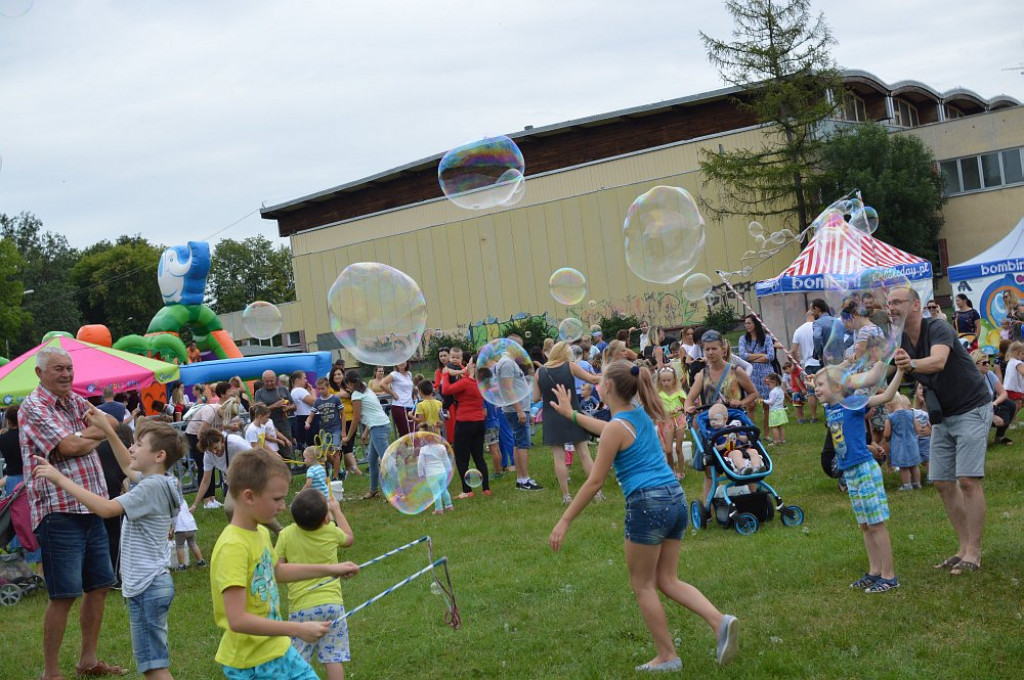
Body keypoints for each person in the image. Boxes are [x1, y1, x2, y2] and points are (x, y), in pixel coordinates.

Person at [547, 361, 739, 672]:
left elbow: (595, 480)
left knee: (643, 585)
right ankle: (720, 622)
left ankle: (667, 656)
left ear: (607, 387)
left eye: (600, 379)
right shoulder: (639, 417)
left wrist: (565, 519)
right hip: (674, 500)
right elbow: (606, 429)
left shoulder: (616, 427)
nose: (596, 382)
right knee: (667, 579)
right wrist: (571, 414)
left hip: (647, 504)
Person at [34, 415, 186, 679]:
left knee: (154, 667)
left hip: (147, 586)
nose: (132, 449)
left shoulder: (149, 489)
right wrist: (106, 429)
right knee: (154, 662)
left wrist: (60, 479)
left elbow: (105, 508)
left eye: (139, 445)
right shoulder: (165, 481)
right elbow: (128, 467)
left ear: (159, 455)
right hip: (155, 583)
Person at [19, 345, 128, 679]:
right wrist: (94, 435)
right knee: (64, 594)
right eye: (58, 369)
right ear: (40, 373)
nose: (66, 374)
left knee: (98, 586)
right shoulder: (34, 407)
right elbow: (68, 447)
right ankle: (50, 672)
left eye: (69, 368)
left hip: (92, 505)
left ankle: (88, 661)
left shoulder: (74, 400)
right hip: (58, 511)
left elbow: (113, 420)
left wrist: (85, 435)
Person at [210, 449, 359, 679]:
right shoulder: (233, 547)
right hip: (252, 662)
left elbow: (277, 571)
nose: (282, 507)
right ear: (249, 496)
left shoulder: (259, 531)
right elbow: (237, 619)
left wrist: (333, 569)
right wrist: (298, 629)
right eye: (277, 499)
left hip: (277, 649)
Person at [889, 286, 992, 576]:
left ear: (916, 305)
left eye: (897, 301)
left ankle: (974, 551)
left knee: (968, 480)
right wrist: (840, 386)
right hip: (943, 415)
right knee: (943, 483)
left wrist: (911, 364)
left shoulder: (937, 327)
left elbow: (938, 361)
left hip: (971, 408)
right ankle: (962, 548)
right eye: (889, 303)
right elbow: (883, 378)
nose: (892, 307)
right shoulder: (898, 340)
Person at [814, 364, 904, 593]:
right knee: (864, 525)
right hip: (850, 472)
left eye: (820, 385)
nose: (816, 389)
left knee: (875, 524)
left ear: (836, 387)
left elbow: (887, 396)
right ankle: (875, 572)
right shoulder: (830, 409)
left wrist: (901, 372)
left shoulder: (852, 403)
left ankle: (889, 576)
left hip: (864, 470)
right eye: (815, 385)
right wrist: (826, 373)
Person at [275, 489, 355, 680]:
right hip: (333, 605)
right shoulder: (331, 531)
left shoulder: (286, 534)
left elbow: (277, 567)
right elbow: (349, 538)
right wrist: (338, 511)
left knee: (298, 660)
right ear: (326, 519)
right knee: (333, 658)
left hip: (302, 608)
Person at [684, 330, 759, 501]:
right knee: (711, 471)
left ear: (723, 349)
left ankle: (755, 499)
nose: (710, 353)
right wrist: (688, 408)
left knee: (745, 459)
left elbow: (753, 393)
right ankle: (709, 508)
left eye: (714, 349)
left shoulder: (736, 371)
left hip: (735, 425)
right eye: (707, 349)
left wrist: (741, 403)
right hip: (712, 428)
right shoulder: (702, 375)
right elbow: (689, 399)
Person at [535, 342, 602, 504]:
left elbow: (535, 398)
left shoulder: (540, 372)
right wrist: (609, 373)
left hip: (551, 415)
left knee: (558, 457)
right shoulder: (570, 366)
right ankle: (597, 493)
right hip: (572, 413)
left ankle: (566, 496)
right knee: (584, 454)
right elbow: (593, 379)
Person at [441, 356, 491, 500]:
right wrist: (463, 370)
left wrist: (445, 373)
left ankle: (467, 490)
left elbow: (446, 390)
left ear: (473, 366)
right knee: (478, 456)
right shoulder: (481, 383)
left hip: (464, 423)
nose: (466, 364)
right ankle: (486, 488)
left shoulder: (466, 383)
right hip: (479, 423)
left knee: (462, 458)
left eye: (468, 362)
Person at [496, 333, 540, 491]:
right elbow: (508, 388)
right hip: (516, 410)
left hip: (517, 409)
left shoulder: (508, 362)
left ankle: (521, 479)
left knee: (517, 442)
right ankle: (525, 479)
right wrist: (520, 410)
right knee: (523, 444)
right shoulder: (507, 363)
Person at [342, 370, 392, 500]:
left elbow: (356, 417)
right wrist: (365, 433)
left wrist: (347, 437)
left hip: (379, 428)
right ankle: (373, 489)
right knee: (372, 460)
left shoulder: (357, 395)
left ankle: (396, 491)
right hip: (379, 425)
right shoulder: (366, 390)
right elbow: (372, 413)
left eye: (346, 384)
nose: (346, 387)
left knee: (386, 461)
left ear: (349, 383)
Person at [738, 315, 775, 435]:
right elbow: (742, 356)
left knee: (767, 405)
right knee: (751, 405)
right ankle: (751, 434)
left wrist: (752, 357)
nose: (746, 325)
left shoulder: (767, 338)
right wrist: (761, 355)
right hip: (751, 374)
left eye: (749, 323)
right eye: (745, 323)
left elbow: (770, 356)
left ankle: (767, 434)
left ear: (756, 324)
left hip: (766, 374)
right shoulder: (743, 339)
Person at [971, 350, 1017, 445]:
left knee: (1010, 405)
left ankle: (999, 437)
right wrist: (991, 416)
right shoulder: (969, 380)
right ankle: (979, 440)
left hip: (988, 407)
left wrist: (994, 403)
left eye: (988, 362)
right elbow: (972, 406)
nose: (987, 365)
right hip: (974, 413)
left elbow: (1004, 393)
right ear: (975, 364)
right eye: (984, 363)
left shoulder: (989, 374)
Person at [707, 404, 764, 475]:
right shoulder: (713, 433)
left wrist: (739, 437)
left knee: (753, 451)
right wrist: (725, 444)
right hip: (727, 452)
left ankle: (757, 467)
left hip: (742, 448)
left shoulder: (733, 427)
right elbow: (715, 448)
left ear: (725, 419)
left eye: (715, 419)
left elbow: (746, 440)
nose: (712, 422)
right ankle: (742, 469)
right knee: (736, 453)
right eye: (710, 420)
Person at [307, 378, 344, 480]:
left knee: (336, 453)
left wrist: (343, 431)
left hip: (336, 429)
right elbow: (311, 415)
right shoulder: (318, 402)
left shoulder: (335, 399)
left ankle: (335, 477)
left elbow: (343, 414)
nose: (321, 391)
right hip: (324, 430)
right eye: (319, 389)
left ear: (328, 387)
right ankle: (339, 470)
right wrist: (307, 422)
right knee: (325, 453)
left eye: (323, 388)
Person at [884, 394, 922, 491]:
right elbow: (918, 429)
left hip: (899, 446)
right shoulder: (911, 413)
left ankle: (907, 485)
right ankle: (917, 483)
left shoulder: (890, 417)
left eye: (886, 407)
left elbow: (887, 434)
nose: (886, 409)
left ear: (890, 405)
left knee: (903, 467)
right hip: (912, 444)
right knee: (914, 465)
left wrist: (887, 438)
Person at [254, 371, 295, 455]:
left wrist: (288, 408)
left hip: (283, 425)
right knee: (270, 453)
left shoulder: (283, 389)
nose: (269, 383)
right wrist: (275, 405)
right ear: (263, 381)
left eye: (271, 381)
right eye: (266, 381)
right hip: (267, 427)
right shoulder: (259, 393)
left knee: (287, 451)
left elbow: (294, 406)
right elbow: (259, 411)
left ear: (275, 379)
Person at [655, 367, 686, 480]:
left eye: (668, 380)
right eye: (663, 380)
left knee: (678, 448)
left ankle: (682, 472)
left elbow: (685, 407)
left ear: (674, 380)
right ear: (659, 381)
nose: (666, 383)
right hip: (666, 421)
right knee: (668, 450)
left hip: (679, 420)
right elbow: (656, 409)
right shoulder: (658, 395)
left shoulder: (679, 393)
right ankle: (672, 471)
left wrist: (681, 409)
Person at [416, 424, 455, 515]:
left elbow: (420, 463)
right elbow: (446, 460)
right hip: (442, 473)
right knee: (444, 490)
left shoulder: (423, 450)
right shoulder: (441, 447)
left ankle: (439, 509)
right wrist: (449, 469)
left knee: (436, 493)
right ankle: (449, 506)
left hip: (431, 475)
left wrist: (421, 474)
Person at [790, 310, 821, 422]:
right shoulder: (818, 326)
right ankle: (829, 413)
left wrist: (796, 363)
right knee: (824, 387)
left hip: (808, 364)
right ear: (814, 315)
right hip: (820, 361)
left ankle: (813, 416)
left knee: (811, 391)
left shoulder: (799, 330)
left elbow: (793, 351)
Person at [170, 474, 205, 571]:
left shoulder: (172, 505)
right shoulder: (183, 501)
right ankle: (201, 561)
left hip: (181, 529)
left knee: (180, 546)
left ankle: (182, 566)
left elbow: (172, 518)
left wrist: (171, 529)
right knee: (192, 543)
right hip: (191, 526)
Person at [381, 361, 416, 437]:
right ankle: (405, 448)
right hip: (399, 406)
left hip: (410, 406)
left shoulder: (409, 374)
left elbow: (410, 389)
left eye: (403, 361)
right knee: (405, 433)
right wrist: (393, 393)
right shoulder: (394, 374)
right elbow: (382, 384)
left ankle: (413, 448)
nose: (401, 363)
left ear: (407, 362)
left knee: (413, 430)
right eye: (399, 361)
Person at [290, 372, 317, 453]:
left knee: (307, 447)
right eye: (304, 378)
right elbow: (314, 402)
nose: (306, 380)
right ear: (297, 380)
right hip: (307, 419)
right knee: (313, 447)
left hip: (301, 419)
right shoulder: (299, 390)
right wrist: (312, 392)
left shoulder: (294, 391)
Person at [762, 373, 788, 445]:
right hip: (781, 410)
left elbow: (771, 402)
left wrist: (763, 400)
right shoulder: (780, 389)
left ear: (774, 382)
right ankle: (782, 440)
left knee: (774, 427)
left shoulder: (773, 392)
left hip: (774, 411)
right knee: (781, 426)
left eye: (769, 384)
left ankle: (776, 441)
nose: (768, 386)